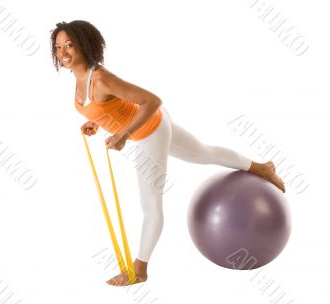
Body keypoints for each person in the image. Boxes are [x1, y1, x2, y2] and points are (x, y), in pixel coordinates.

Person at [50, 20, 286, 287]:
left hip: (150, 132)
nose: (64, 53)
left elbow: (152, 101)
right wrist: (97, 121)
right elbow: (110, 107)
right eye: (58, 47)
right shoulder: (79, 79)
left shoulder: (101, 78)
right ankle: (261, 167)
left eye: (70, 45)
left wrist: (123, 135)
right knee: (202, 152)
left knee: (150, 206)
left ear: (85, 44)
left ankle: (139, 270)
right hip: (155, 124)